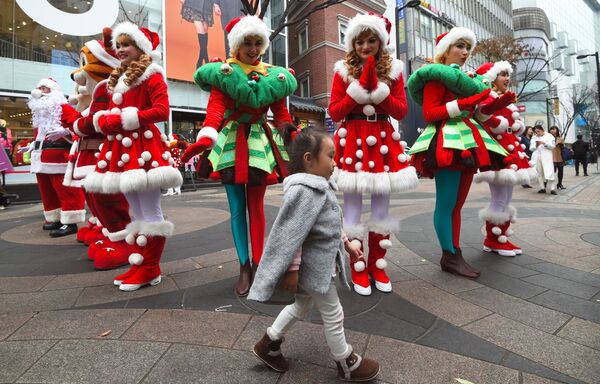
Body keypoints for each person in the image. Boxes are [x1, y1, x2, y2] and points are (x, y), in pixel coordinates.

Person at [248, 127, 380, 382]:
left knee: (300, 305)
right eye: (330, 156)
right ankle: (345, 361)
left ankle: (268, 343)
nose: (334, 162)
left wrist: (347, 243)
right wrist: (292, 269)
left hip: (317, 267)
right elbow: (292, 234)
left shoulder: (319, 188)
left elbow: (326, 224)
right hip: (313, 269)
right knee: (334, 312)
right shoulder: (304, 191)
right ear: (309, 159)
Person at [181, 15, 297, 296]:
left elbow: (281, 116)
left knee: (256, 208)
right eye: (248, 42)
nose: (254, 48)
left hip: (259, 141)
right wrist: (207, 135)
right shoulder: (225, 71)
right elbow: (215, 110)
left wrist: (294, 136)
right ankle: (244, 266)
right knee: (236, 208)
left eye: (258, 42)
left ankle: (259, 265)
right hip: (231, 141)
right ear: (237, 44)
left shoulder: (275, 75)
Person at [84, 22, 182, 291]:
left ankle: (150, 267)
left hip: (144, 151)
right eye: (118, 45)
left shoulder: (152, 75)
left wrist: (127, 118)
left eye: (126, 44)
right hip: (123, 151)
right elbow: (113, 114)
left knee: (149, 210)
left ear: (140, 47)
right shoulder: (119, 78)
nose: (120, 50)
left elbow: (162, 111)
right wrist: (105, 120)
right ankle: (140, 263)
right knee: (135, 210)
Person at [328, 13, 418, 295]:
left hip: (381, 138)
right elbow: (334, 111)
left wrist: (380, 94)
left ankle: (378, 265)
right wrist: (355, 92)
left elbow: (401, 111)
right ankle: (358, 267)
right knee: (352, 209)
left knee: (382, 208)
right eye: (360, 41)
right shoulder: (343, 70)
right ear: (352, 43)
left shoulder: (394, 71)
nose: (366, 46)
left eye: (371, 40)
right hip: (352, 138)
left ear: (380, 41)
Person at [408, 27, 508, 278]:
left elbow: (476, 114)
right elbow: (430, 113)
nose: (465, 52)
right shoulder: (435, 77)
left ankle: (455, 253)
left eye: (467, 48)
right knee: (447, 202)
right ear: (446, 50)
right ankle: (449, 255)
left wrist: (495, 104)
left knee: (457, 205)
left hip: (468, 139)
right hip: (446, 140)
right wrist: (464, 103)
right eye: (459, 46)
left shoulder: (468, 79)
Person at [61, 29, 137, 270]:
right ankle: (109, 233)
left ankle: (122, 240)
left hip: (103, 156)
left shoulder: (107, 88)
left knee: (107, 199)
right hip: (93, 155)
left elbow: (95, 122)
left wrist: (72, 119)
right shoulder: (98, 91)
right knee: (95, 199)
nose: (79, 76)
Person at [473, 61, 536, 257]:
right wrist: (502, 120)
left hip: (508, 148)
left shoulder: (504, 99)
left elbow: (514, 125)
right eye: (502, 74)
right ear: (491, 78)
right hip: (496, 151)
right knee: (500, 197)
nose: (507, 78)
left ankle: (500, 239)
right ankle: (493, 239)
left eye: (507, 75)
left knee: (506, 197)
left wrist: (516, 126)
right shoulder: (487, 99)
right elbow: (483, 117)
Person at [25, 78, 86, 237]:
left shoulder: (63, 108)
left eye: (44, 88)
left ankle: (70, 222)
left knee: (66, 190)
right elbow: (41, 134)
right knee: (47, 191)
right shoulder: (40, 112)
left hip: (58, 158)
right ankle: (55, 218)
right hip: (41, 159)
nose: (39, 92)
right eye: (39, 88)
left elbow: (79, 124)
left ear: (54, 92)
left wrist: (66, 132)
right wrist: (33, 145)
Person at [180, 0, 218, 68]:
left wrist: (215, 4)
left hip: (207, 5)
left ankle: (200, 61)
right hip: (195, 3)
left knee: (205, 31)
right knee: (201, 31)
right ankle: (206, 61)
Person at [530, 125, 557, 195]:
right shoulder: (534, 137)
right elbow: (531, 148)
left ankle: (552, 188)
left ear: (542, 130)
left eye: (538, 131)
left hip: (546, 157)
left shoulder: (549, 136)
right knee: (539, 173)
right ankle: (542, 188)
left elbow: (553, 146)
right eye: (536, 132)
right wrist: (535, 145)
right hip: (537, 157)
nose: (537, 133)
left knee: (549, 172)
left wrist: (544, 143)